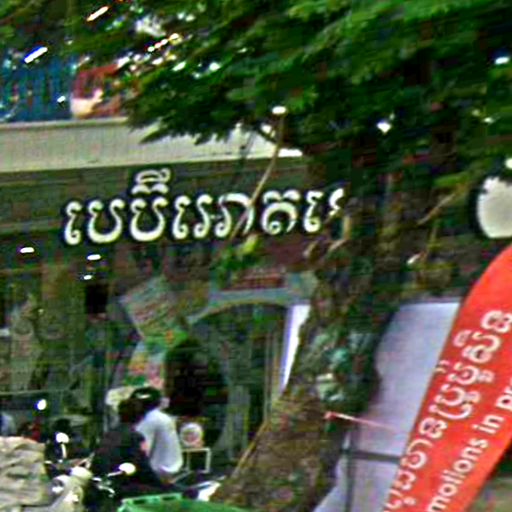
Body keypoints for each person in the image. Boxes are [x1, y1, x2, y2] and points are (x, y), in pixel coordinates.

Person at [87, 397, 165, 504]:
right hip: (121, 485)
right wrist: (161, 485)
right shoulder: (135, 437)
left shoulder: (109, 434)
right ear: (141, 417)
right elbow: (143, 467)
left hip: (102, 482)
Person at [130, 386, 184, 483]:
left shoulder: (149, 419)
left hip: (157, 473)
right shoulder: (163, 417)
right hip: (171, 470)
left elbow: (143, 450)